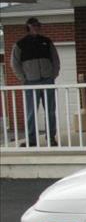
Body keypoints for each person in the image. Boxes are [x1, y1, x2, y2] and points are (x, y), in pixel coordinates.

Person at [11, 17, 60, 147]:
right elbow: (15, 63)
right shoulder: (20, 44)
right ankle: (31, 140)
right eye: (34, 25)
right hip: (30, 82)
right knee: (31, 112)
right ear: (28, 26)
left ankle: (51, 138)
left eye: (38, 25)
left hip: (47, 80)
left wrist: (53, 75)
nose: (37, 27)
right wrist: (23, 78)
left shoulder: (46, 42)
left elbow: (55, 59)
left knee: (50, 111)